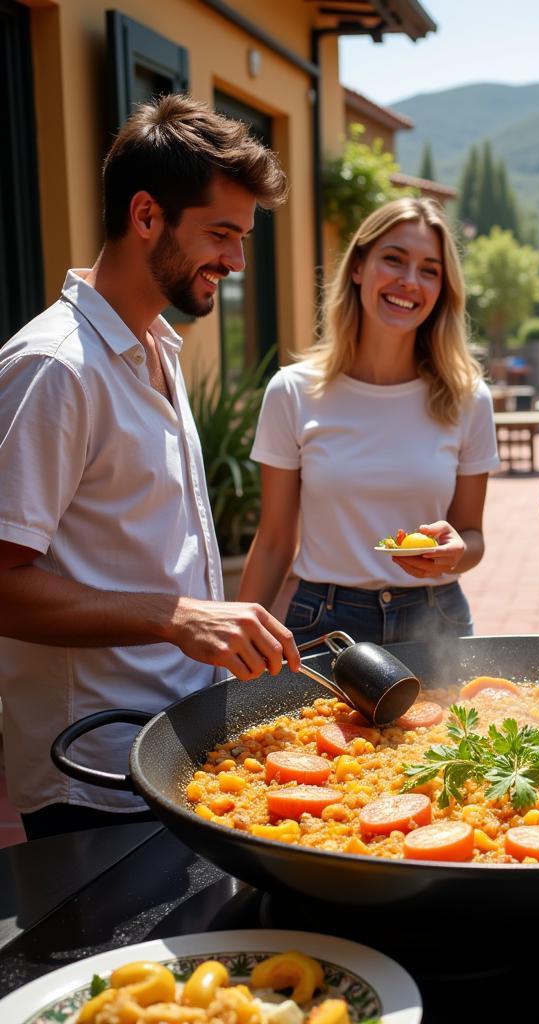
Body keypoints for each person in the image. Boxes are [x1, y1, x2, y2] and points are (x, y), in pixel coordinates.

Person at [0, 94, 300, 840]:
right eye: (221, 234)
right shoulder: (55, 367)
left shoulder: (156, 345)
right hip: (92, 780)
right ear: (145, 217)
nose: (236, 261)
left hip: (172, 756)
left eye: (243, 237)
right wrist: (175, 617)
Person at [237, 197, 499, 645]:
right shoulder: (293, 391)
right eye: (394, 260)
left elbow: (471, 537)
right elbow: (275, 540)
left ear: (443, 289)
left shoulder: (468, 397)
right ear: (358, 266)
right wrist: (236, 652)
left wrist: (455, 554)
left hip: (436, 620)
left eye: (429, 270)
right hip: (323, 624)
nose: (409, 281)